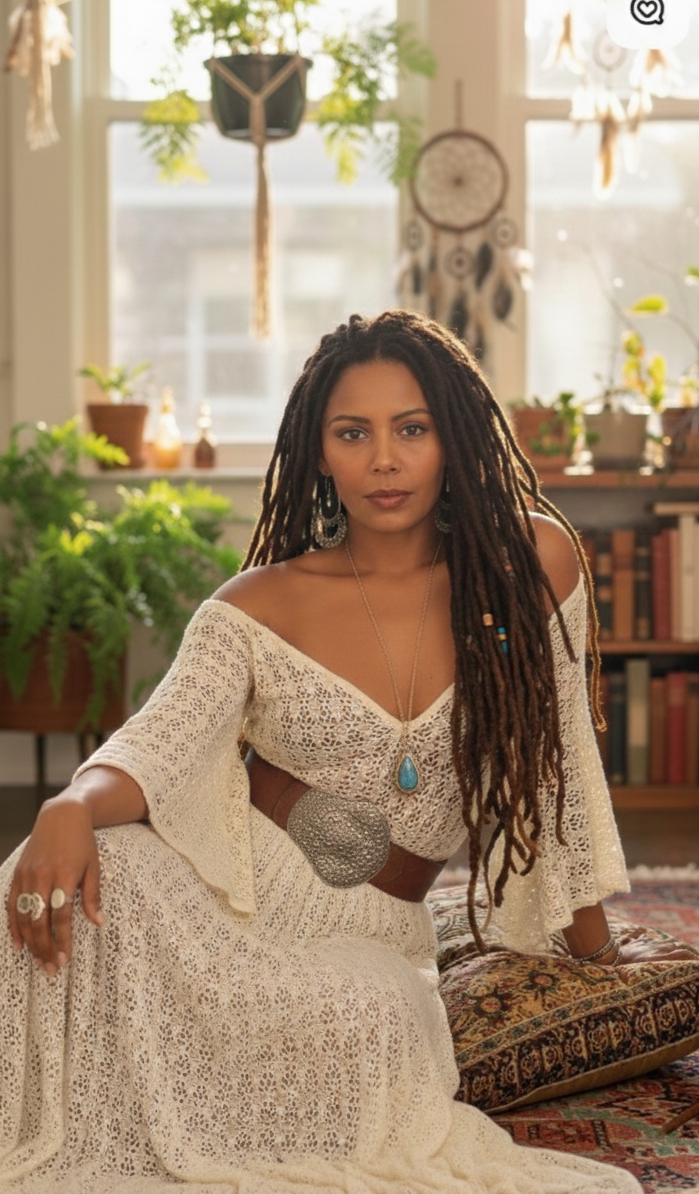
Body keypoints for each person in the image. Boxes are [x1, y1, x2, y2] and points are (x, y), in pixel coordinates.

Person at [1, 310, 679, 1193]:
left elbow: (553, 774)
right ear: (319, 451)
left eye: (411, 429)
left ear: (454, 436)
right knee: (61, 887)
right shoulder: (257, 603)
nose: (384, 461)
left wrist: (594, 956)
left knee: (376, 1015)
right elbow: (152, 745)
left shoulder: (531, 561)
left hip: (369, 927)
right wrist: (68, 805)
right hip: (222, 887)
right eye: (352, 433)